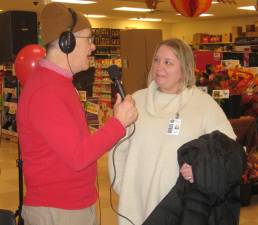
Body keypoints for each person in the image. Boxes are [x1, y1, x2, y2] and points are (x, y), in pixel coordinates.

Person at [17, 3, 138, 225]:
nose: (93, 47)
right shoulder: (46, 92)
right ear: (67, 42)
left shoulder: (60, 83)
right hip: (59, 211)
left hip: (72, 206)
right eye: (89, 39)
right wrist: (118, 123)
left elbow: (75, 144)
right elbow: (78, 156)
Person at [108, 38, 236, 225]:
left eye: (168, 62)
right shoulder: (136, 100)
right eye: (156, 60)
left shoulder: (204, 105)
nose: (159, 67)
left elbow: (229, 149)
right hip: (136, 204)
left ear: (184, 68)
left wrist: (201, 171)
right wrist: (124, 185)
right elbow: (118, 147)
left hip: (181, 208)